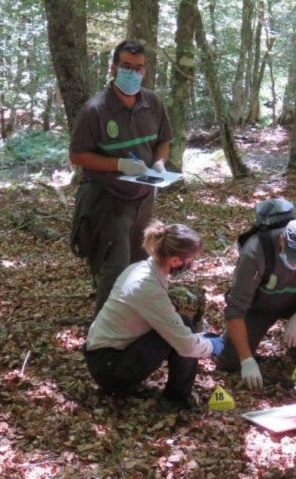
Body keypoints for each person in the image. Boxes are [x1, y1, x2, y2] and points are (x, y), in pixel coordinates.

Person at [69, 39, 172, 316]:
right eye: (127, 66)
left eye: (139, 68)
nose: (133, 73)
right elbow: (77, 155)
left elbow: (164, 140)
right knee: (115, 268)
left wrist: (160, 163)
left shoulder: (152, 102)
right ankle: (102, 335)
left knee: (142, 262)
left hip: (144, 200)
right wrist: (118, 164)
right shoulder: (96, 110)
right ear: (114, 67)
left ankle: (132, 320)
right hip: (110, 200)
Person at [84, 221, 223, 410]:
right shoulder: (147, 288)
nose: (191, 263)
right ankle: (175, 399)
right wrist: (214, 346)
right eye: (190, 259)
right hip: (110, 368)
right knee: (183, 327)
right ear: (175, 260)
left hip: (102, 357)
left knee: (181, 326)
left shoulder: (140, 268)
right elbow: (186, 346)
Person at [216, 218, 296, 391]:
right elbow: (235, 310)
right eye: (294, 256)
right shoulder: (255, 252)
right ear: (282, 240)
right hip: (259, 307)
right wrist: (246, 359)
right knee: (230, 361)